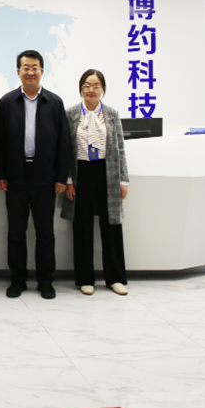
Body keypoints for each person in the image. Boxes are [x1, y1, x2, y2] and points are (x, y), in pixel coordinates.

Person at [0, 50, 72, 299]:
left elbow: (64, 144)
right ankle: (17, 280)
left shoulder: (55, 102)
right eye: (26, 68)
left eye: (35, 67)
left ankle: (45, 281)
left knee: (45, 233)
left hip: (45, 176)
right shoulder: (7, 102)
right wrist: (0, 174)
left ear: (42, 71)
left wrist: (61, 177)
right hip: (15, 176)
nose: (30, 72)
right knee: (16, 232)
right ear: (18, 72)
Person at [60, 69, 130, 296]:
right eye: (87, 85)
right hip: (81, 173)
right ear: (81, 88)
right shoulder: (70, 113)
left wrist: (123, 179)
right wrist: (68, 180)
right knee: (82, 226)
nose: (91, 90)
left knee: (111, 226)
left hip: (107, 172)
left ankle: (115, 278)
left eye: (96, 86)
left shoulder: (112, 114)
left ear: (103, 89)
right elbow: (65, 150)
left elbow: (120, 148)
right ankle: (85, 278)